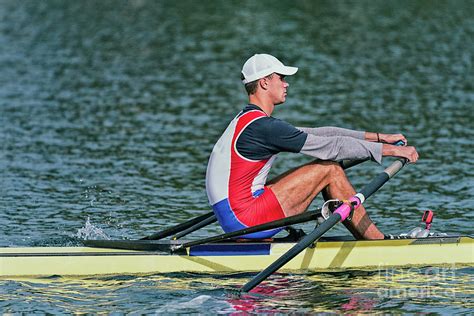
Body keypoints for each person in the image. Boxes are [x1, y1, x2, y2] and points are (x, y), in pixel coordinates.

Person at [205, 54, 419, 240]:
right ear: (264, 83)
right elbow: (332, 147)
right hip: (245, 219)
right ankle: (377, 242)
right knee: (329, 169)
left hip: (234, 216)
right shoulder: (265, 127)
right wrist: (394, 151)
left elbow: (323, 133)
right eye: (281, 78)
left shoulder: (250, 121)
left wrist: (380, 138)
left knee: (326, 164)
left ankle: (371, 238)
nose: (286, 84)